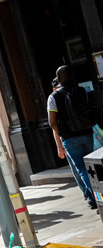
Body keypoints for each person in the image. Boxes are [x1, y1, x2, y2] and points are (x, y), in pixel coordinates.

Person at [48, 65, 97, 210]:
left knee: (82, 169)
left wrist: (62, 133)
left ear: (58, 79)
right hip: (87, 133)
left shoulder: (53, 97)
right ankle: (93, 198)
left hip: (69, 138)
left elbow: (52, 122)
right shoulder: (82, 91)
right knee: (90, 167)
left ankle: (95, 198)